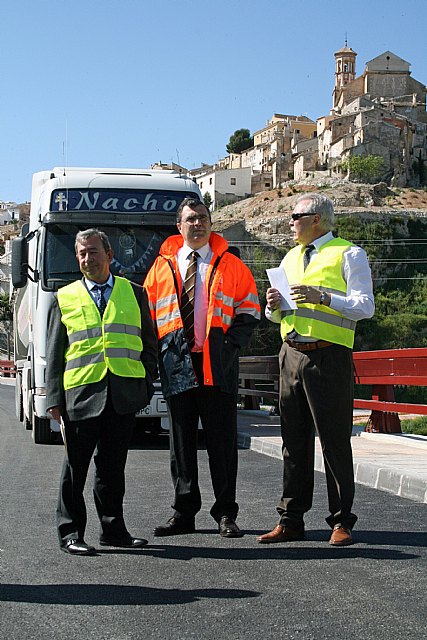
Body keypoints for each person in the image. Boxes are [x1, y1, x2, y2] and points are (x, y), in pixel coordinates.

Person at [258, 193, 374, 547]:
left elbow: (364, 306)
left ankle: (342, 521)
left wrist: (324, 297)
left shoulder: (349, 253)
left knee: (335, 442)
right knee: (293, 443)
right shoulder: (290, 257)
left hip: (328, 357)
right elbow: (278, 314)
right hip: (290, 353)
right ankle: (291, 519)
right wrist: (272, 307)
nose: (290, 221)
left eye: (296, 216)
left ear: (317, 220)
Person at [144, 197, 260, 538]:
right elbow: (150, 317)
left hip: (217, 364)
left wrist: (228, 346)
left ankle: (226, 513)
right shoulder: (161, 267)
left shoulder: (230, 264)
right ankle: (184, 512)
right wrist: (156, 358)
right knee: (180, 445)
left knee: (222, 444)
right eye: (191, 219)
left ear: (212, 223)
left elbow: (250, 310)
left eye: (204, 218)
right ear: (179, 227)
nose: (198, 224)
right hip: (177, 363)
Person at [47, 228, 158, 555]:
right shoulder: (64, 297)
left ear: (109, 255)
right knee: (74, 470)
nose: (86, 258)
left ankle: (113, 531)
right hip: (80, 396)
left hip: (122, 395)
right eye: (81, 253)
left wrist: (145, 382)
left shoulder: (135, 293)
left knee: (112, 470)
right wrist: (54, 398)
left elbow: (149, 344)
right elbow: (55, 352)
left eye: (92, 252)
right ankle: (70, 534)